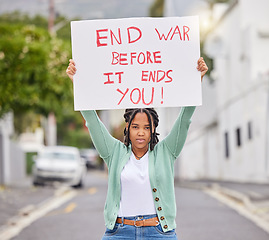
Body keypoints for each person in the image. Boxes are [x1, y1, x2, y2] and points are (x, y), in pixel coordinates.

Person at [66, 57, 208, 239]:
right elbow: (93, 122)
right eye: (135, 127)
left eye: (147, 127)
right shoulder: (114, 152)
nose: (141, 132)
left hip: (158, 232)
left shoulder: (166, 151)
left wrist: (197, 82)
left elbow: (184, 119)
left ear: (153, 129)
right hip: (119, 232)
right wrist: (78, 83)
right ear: (127, 129)